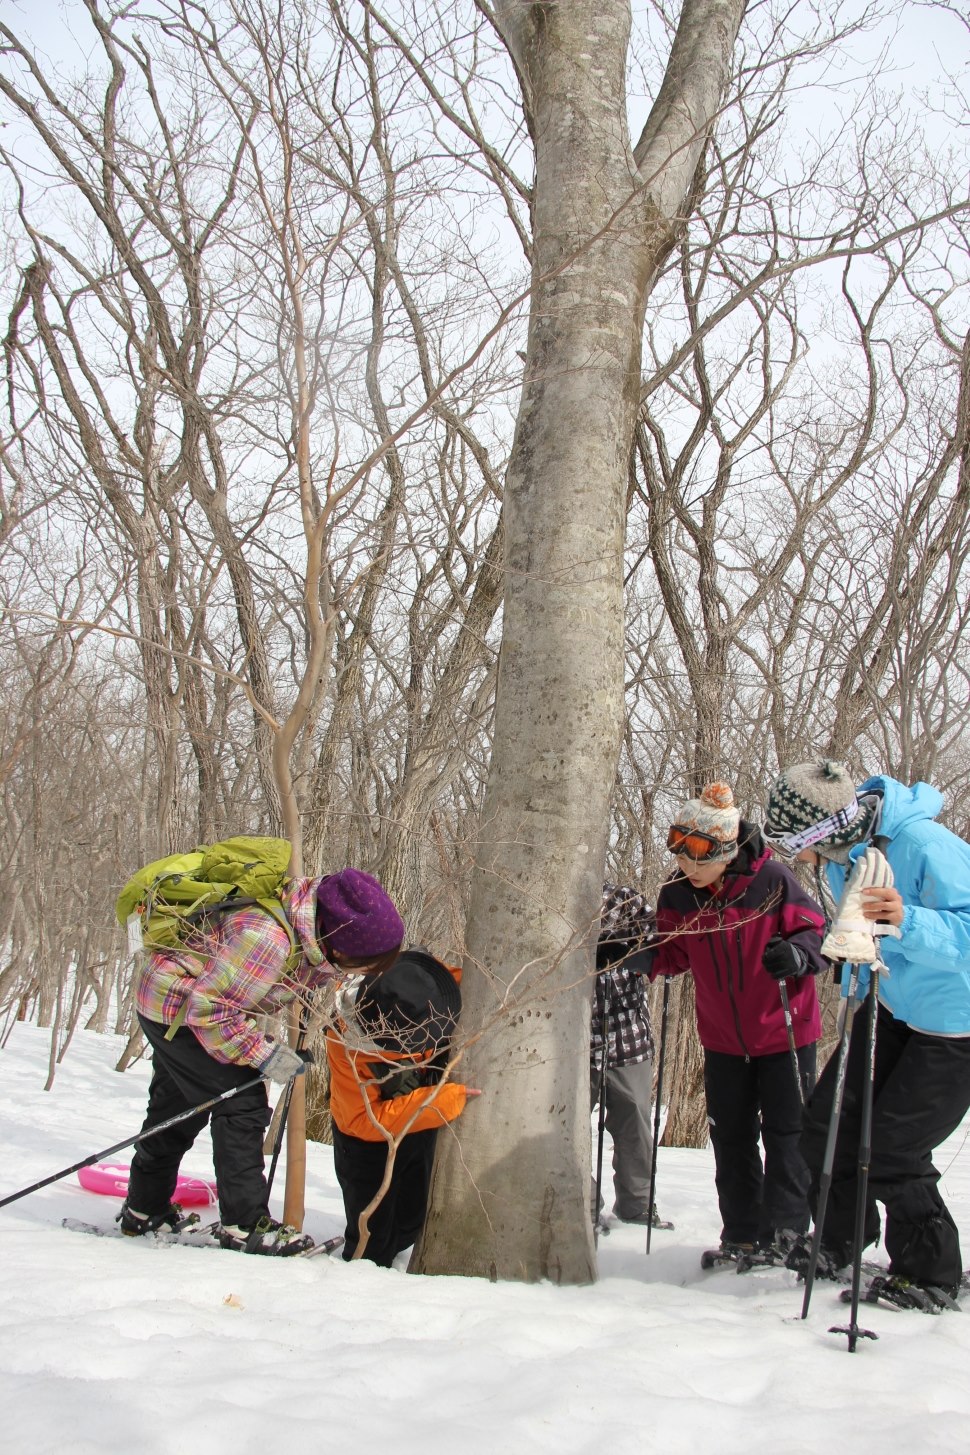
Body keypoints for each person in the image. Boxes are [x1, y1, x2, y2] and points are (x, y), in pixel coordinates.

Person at [764, 760, 970, 1309]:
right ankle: (840, 1238)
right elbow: (863, 932)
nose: (793, 858)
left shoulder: (925, 844)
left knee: (894, 1148)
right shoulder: (843, 856)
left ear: (820, 829)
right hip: (896, 1007)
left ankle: (931, 1272)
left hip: (956, 1024)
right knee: (825, 1123)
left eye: (792, 844)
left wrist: (908, 919)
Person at [122, 867, 404, 1255]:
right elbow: (211, 1012)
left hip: (171, 1003)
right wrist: (270, 1058)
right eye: (363, 964)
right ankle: (244, 1224)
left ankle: (144, 1206)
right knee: (241, 1102)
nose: (359, 973)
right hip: (180, 1011)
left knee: (177, 1106)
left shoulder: (313, 931)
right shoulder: (267, 938)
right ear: (342, 944)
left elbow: (255, 990)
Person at [651, 782, 826, 1258]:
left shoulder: (772, 880)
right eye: (681, 855)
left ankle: (789, 1232)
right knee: (731, 1137)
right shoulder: (678, 894)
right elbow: (671, 954)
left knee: (788, 1135)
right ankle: (743, 1234)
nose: (688, 866)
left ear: (727, 852)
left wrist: (796, 954)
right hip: (723, 1038)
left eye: (699, 858)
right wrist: (633, 957)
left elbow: (816, 933)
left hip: (783, 1032)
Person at [326, 947, 481, 1266]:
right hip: (366, 1145)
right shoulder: (346, 1042)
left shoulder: (419, 981)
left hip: (417, 1125)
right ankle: (361, 1291)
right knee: (373, 1237)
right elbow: (362, 1121)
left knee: (412, 1220)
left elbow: (464, 982)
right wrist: (440, 1102)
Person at [590, 883, 671, 1229]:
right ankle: (582, 1203)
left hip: (628, 1035)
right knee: (567, 1124)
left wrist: (627, 950)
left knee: (636, 1119)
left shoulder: (623, 898)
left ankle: (637, 1205)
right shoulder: (556, 892)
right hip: (574, 1038)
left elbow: (660, 943)